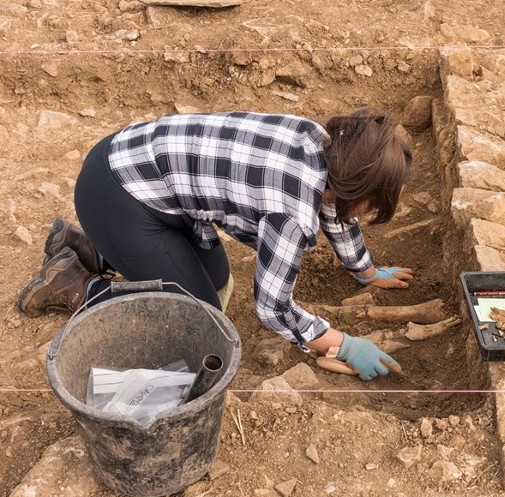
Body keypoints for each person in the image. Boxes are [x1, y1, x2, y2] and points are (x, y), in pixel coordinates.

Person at [17, 107, 414, 381]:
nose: (372, 211)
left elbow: (338, 209)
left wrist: (366, 270)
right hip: (119, 191)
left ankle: (87, 246)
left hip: (132, 163)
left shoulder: (321, 143)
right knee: (203, 325)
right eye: (375, 201)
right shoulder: (290, 211)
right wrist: (340, 344)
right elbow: (272, 308)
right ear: (355, 188)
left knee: (220, 284)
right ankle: (76, 284)